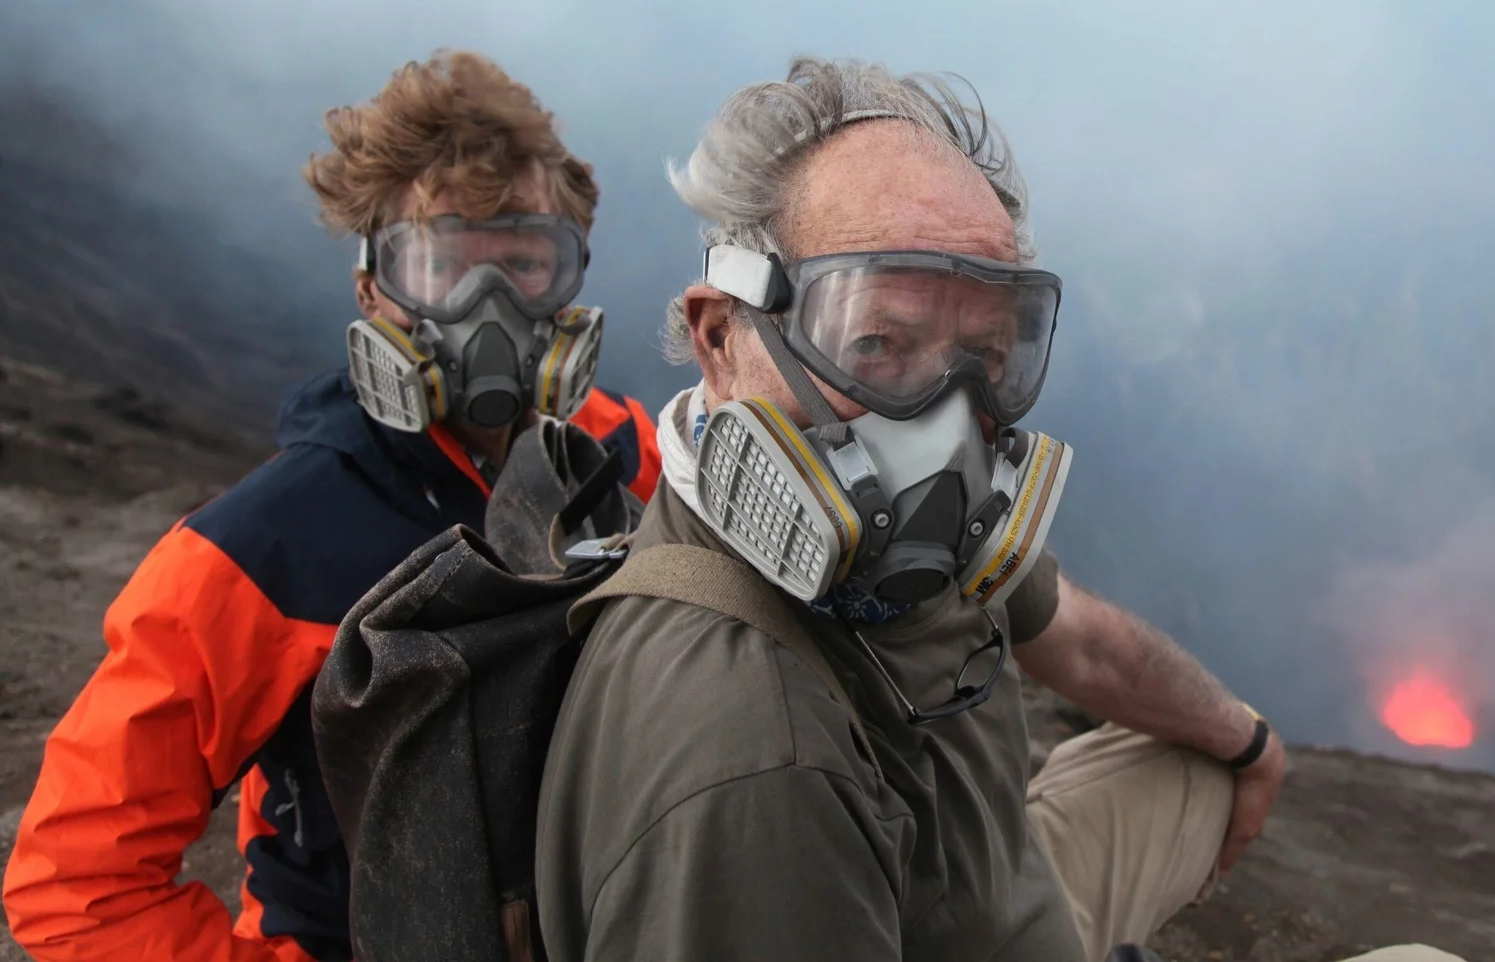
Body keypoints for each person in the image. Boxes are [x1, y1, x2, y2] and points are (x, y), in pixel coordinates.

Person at [533, 57, 1290, 962]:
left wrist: (1246, 744)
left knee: (1195, 758)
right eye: (879, 344)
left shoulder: (912, 541)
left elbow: (1076, 637)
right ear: (722, 339)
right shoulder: (755, 766)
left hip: (999, 894)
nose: (946, 421)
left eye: (985, 352)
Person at [2, 50, 662, 962]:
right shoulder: (262, 551)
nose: (491, 310)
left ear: (571, 283)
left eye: (523, 263)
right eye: (444, 267)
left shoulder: (617, 458)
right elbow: (77, 885)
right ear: (372, 291)